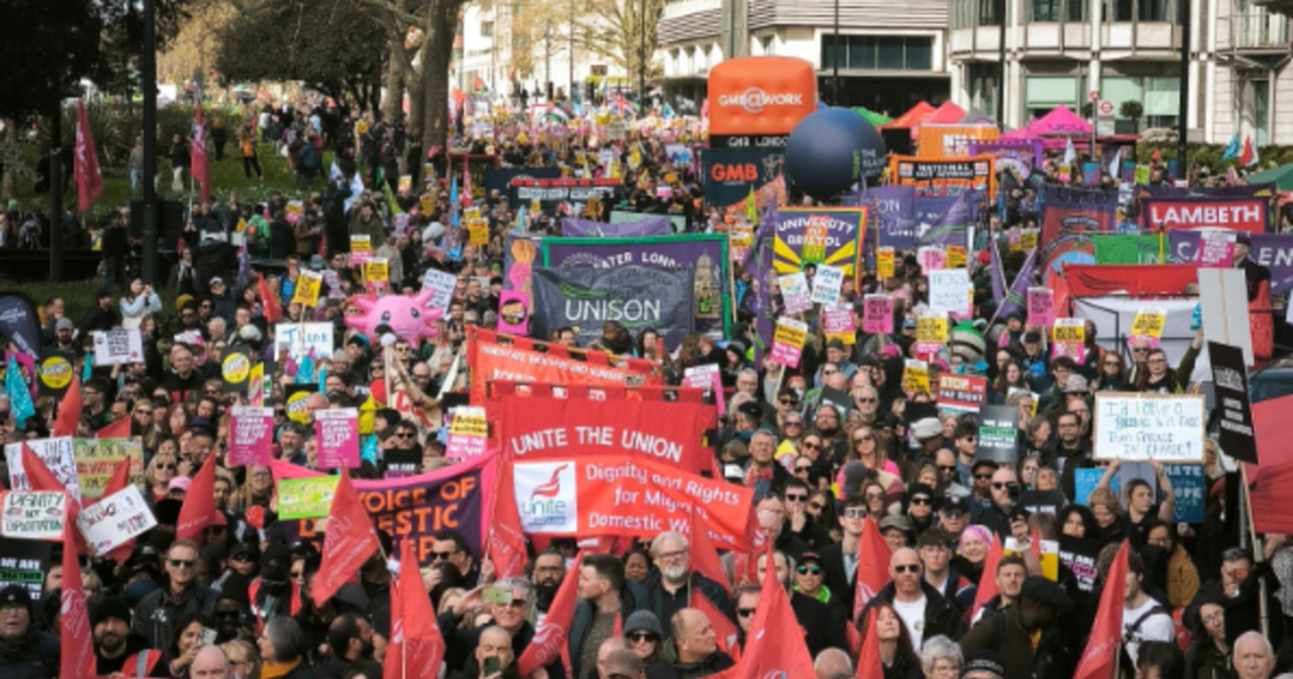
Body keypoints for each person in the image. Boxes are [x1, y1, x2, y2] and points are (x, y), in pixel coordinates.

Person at [958, 576, 1074, 679]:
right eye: (1053, 611)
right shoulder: (992, 627)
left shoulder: (1050, 638)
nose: (1055, 617)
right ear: (1038, 608)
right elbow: (954, 662)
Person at [870, 548, 962, 649]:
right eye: (900, 569)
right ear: (891, 572)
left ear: (921, 569)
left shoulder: (944, 609)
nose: (907, 573)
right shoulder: (874, 609)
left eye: (913, 568)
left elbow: (954, 649)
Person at [132, 541, 218, 649]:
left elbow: (213, 643)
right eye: (176, 563)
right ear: (167, 565)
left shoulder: (213, 600)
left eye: (188, 563)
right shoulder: (146, 605)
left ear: (196, 566)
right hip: (158, 664)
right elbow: (140, 649)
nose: (182, 567)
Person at [645, 608, 734, 679]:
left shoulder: (724, 662)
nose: (713, 634)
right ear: (683, 643)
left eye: (710, 627)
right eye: (703, 632)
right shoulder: (657, 675)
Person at [0, 585, 60, 679]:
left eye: (19, 608)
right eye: (7, 609)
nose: (13, 614)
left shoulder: (52, 646)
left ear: (30, 615)